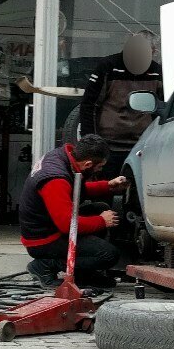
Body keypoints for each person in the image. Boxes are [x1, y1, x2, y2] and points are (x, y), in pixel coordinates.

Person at [20, 134, 129, 289]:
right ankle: (44, 265)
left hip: (49, 226)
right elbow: (66, 225)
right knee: (109, 255)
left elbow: (75, 189)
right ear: (88, 164)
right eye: (99, 167)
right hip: (43, 240)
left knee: (100, 208)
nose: (100, 170)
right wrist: (102, 221)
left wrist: (108, 186)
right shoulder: (55, 180)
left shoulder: (63, 157)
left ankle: (83, 275)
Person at [79, 31, 163, 180]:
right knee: (103, 192)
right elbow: (89, 105)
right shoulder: (108, 67)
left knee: (135, 197)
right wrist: (91, 142)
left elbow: (162, 107)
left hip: (141, 146)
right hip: (108, 146)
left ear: (153, 52)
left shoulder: (157, 72)